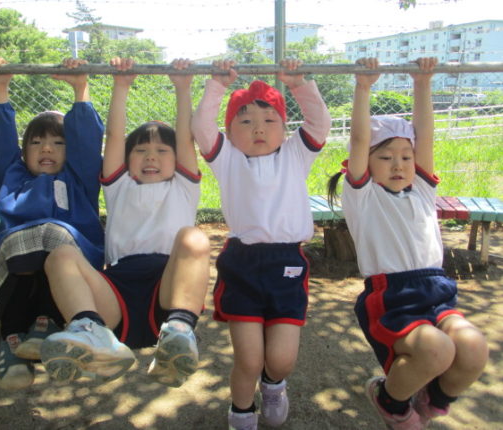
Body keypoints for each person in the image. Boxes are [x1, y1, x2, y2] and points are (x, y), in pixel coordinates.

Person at [327, 57, 489, 429]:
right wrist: (363, 87)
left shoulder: (421, 190)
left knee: (473, 347)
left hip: (437, 288)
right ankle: (390, 401)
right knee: (437, 349)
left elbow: (425, 135)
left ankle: (432, 401)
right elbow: (359, 139)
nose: (398, 164)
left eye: (406, 156)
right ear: (366, 164)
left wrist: (422, 83)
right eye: (385, 157)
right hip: (393, 296)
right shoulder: (364, 197)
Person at [39, 58, 210, 387]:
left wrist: (183, 88)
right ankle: (90, 331)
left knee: (194, 238)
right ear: (127, 162)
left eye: (162, 150)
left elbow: (185, 138)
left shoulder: (183, 187)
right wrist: (121, 86)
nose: (151, 156)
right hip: (115, 292)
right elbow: (116, 135)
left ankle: (180, 329)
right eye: (141, 150)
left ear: (177, 159)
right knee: (61, 255)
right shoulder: (119, 187)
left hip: (168, 289)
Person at [191, 59, 331, 429]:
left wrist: (299, 85)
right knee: (249, 359)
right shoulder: (228, 159)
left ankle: (273, 385)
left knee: (281, 359)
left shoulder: (295, 155)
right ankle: (241, 411)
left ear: (284, 129)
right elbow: (201, 127)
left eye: (270, 121)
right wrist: (216, 86)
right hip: (243, 263)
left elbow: (319, 123)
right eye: (246, 121)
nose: (258, 128)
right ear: (230, 132)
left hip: (287, 262)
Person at [0, 57, 105, 390]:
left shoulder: (79, 178)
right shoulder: (10, 178)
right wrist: (0, 90)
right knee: (20, 262)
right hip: (17, 254)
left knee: (56, 245)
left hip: (71, 255)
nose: (46, 147)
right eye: (36, 142)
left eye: (59, 142)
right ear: (24, 152)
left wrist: (81, 88)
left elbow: (88, 145)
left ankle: (51, 328)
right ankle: (11, 343)